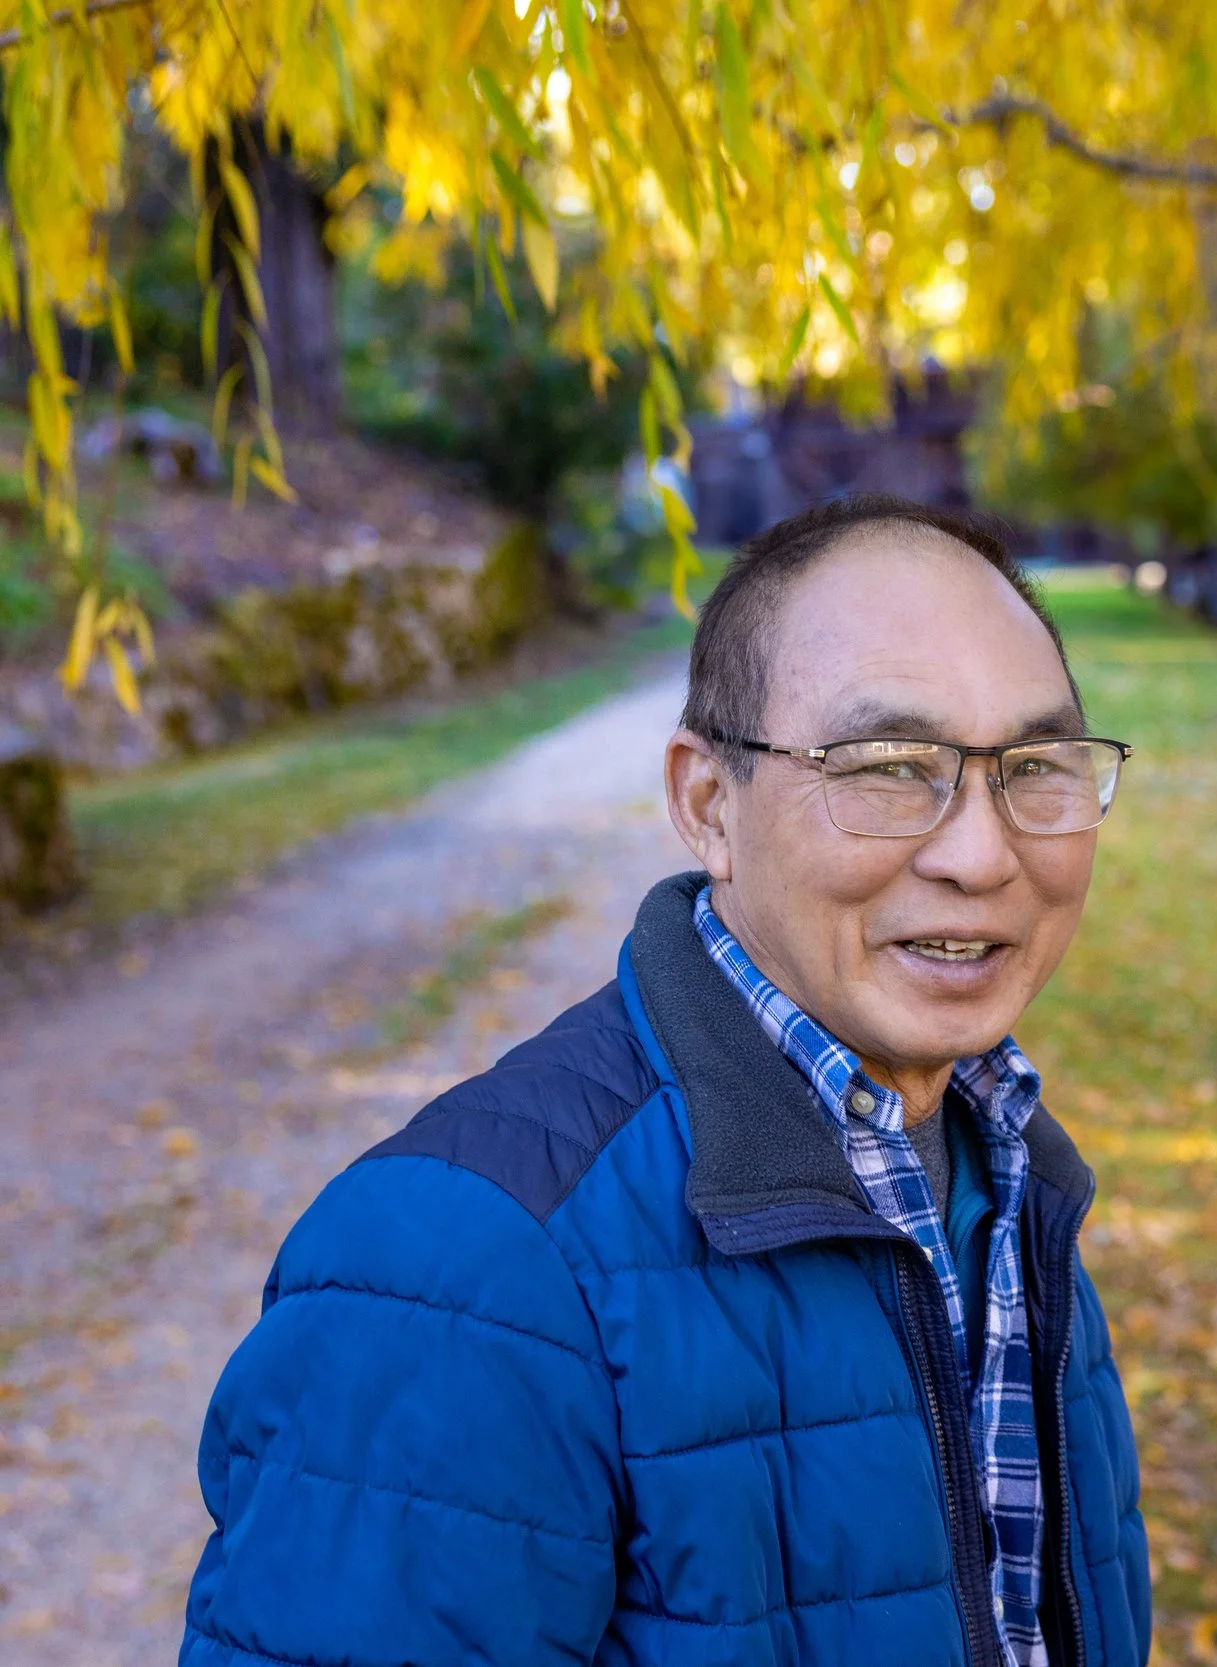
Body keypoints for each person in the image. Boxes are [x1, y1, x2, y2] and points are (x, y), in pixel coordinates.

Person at [180, 495, 1152, 1666]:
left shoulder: (1006, 1176)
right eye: (891, 768)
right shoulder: (459, 1271)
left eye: (1035, 766)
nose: (982, 853)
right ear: (708, 804)